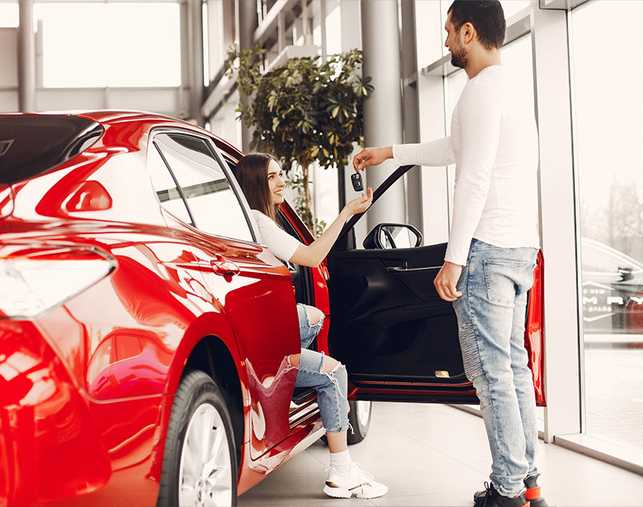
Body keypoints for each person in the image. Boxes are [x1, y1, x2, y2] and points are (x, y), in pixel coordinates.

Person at [353, 2, 547, 507]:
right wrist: (391, 151)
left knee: (490, 376)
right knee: (514, 370)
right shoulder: (508, 89)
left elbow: (474, 177)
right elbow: (455, 149)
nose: (444, 43)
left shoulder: (481, 92)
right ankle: (528, 483)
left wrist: (455, 258)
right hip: (520, 246)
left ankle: (505, 490)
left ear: (468, 31)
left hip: (486, 252)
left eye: (447, 33)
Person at [233, 153, 387, 500]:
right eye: (273, 176)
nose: (282, 181)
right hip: (260, 344)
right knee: (334, 373)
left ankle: (294, 379)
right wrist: (347, 213)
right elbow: (313, 257)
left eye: (281, 173)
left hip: (255, 333)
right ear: (256, 182)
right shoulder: (258, 222)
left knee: (313, 317)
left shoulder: (249, 221)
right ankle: (341, 472)